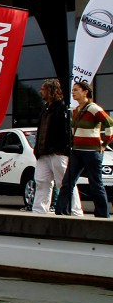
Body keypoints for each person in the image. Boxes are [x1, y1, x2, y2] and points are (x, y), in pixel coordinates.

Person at [56, 81, 113, 218]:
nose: (73, 92)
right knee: (67, 182)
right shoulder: (76, 110)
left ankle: (102, 214)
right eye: (72, 90)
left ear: (85, 92)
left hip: (92, 152)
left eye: (76, 90)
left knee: (95, 183)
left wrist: (104, 144)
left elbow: (109, 123)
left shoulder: (93, 108)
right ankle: (61, 212)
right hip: (77, 151)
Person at [32, 79, 78, 214]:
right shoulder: (46, 108)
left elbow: (66, 131)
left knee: (64, 183)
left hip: (57, 151)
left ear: (51, 91)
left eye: (44, 89)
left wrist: (63, 149)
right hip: (44, 151)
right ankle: (39, 210)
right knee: (42, 181)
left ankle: (75, 210)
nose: (41, 92)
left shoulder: (62, 108)